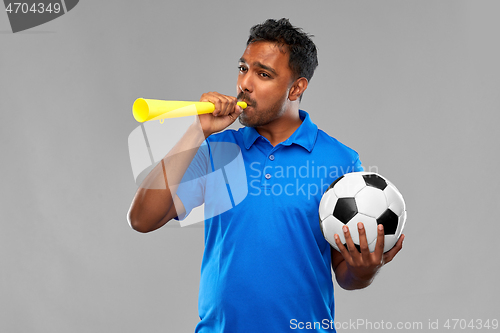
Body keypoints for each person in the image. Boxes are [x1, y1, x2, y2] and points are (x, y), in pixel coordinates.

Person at [128, 18, 404, 332]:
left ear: (297, 87)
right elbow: (142, 219)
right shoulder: (216, 148)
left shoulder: (340, 160)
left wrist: (364, 271)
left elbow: (345, 274)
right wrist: (196, 131)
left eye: (263, 74)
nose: (245, 84)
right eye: (243, 68)